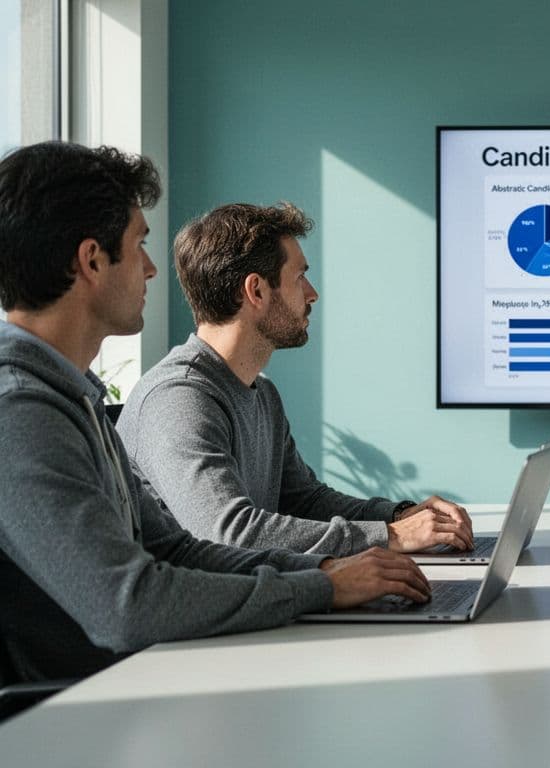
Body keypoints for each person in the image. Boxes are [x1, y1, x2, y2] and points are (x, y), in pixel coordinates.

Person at [0, 142, 432, 683]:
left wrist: (329, 570)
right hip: (90, 707)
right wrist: (324, 584)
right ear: (91, 261)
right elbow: (130, 604)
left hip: (145, 681)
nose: (151, 268)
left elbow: (175, 548)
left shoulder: (73, 395)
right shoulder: (21, 410)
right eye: (139, 245)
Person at [115, 202, 473, 557]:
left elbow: (304, 501)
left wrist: (398, 516)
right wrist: (390, 536)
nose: (312, 293)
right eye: (300, 277)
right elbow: (230, 533)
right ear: (256, 291)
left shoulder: (262, 393)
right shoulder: (177, 398)